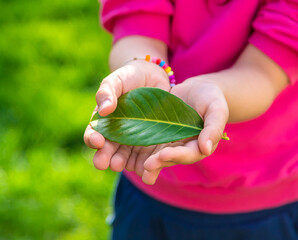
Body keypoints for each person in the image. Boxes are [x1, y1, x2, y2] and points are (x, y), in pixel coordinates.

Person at [83, 0, 298, 239]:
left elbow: (264, 72)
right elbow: (137, 24)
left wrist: (216, 91)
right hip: (151, 184)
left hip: (267, 202)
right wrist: (143, 67)